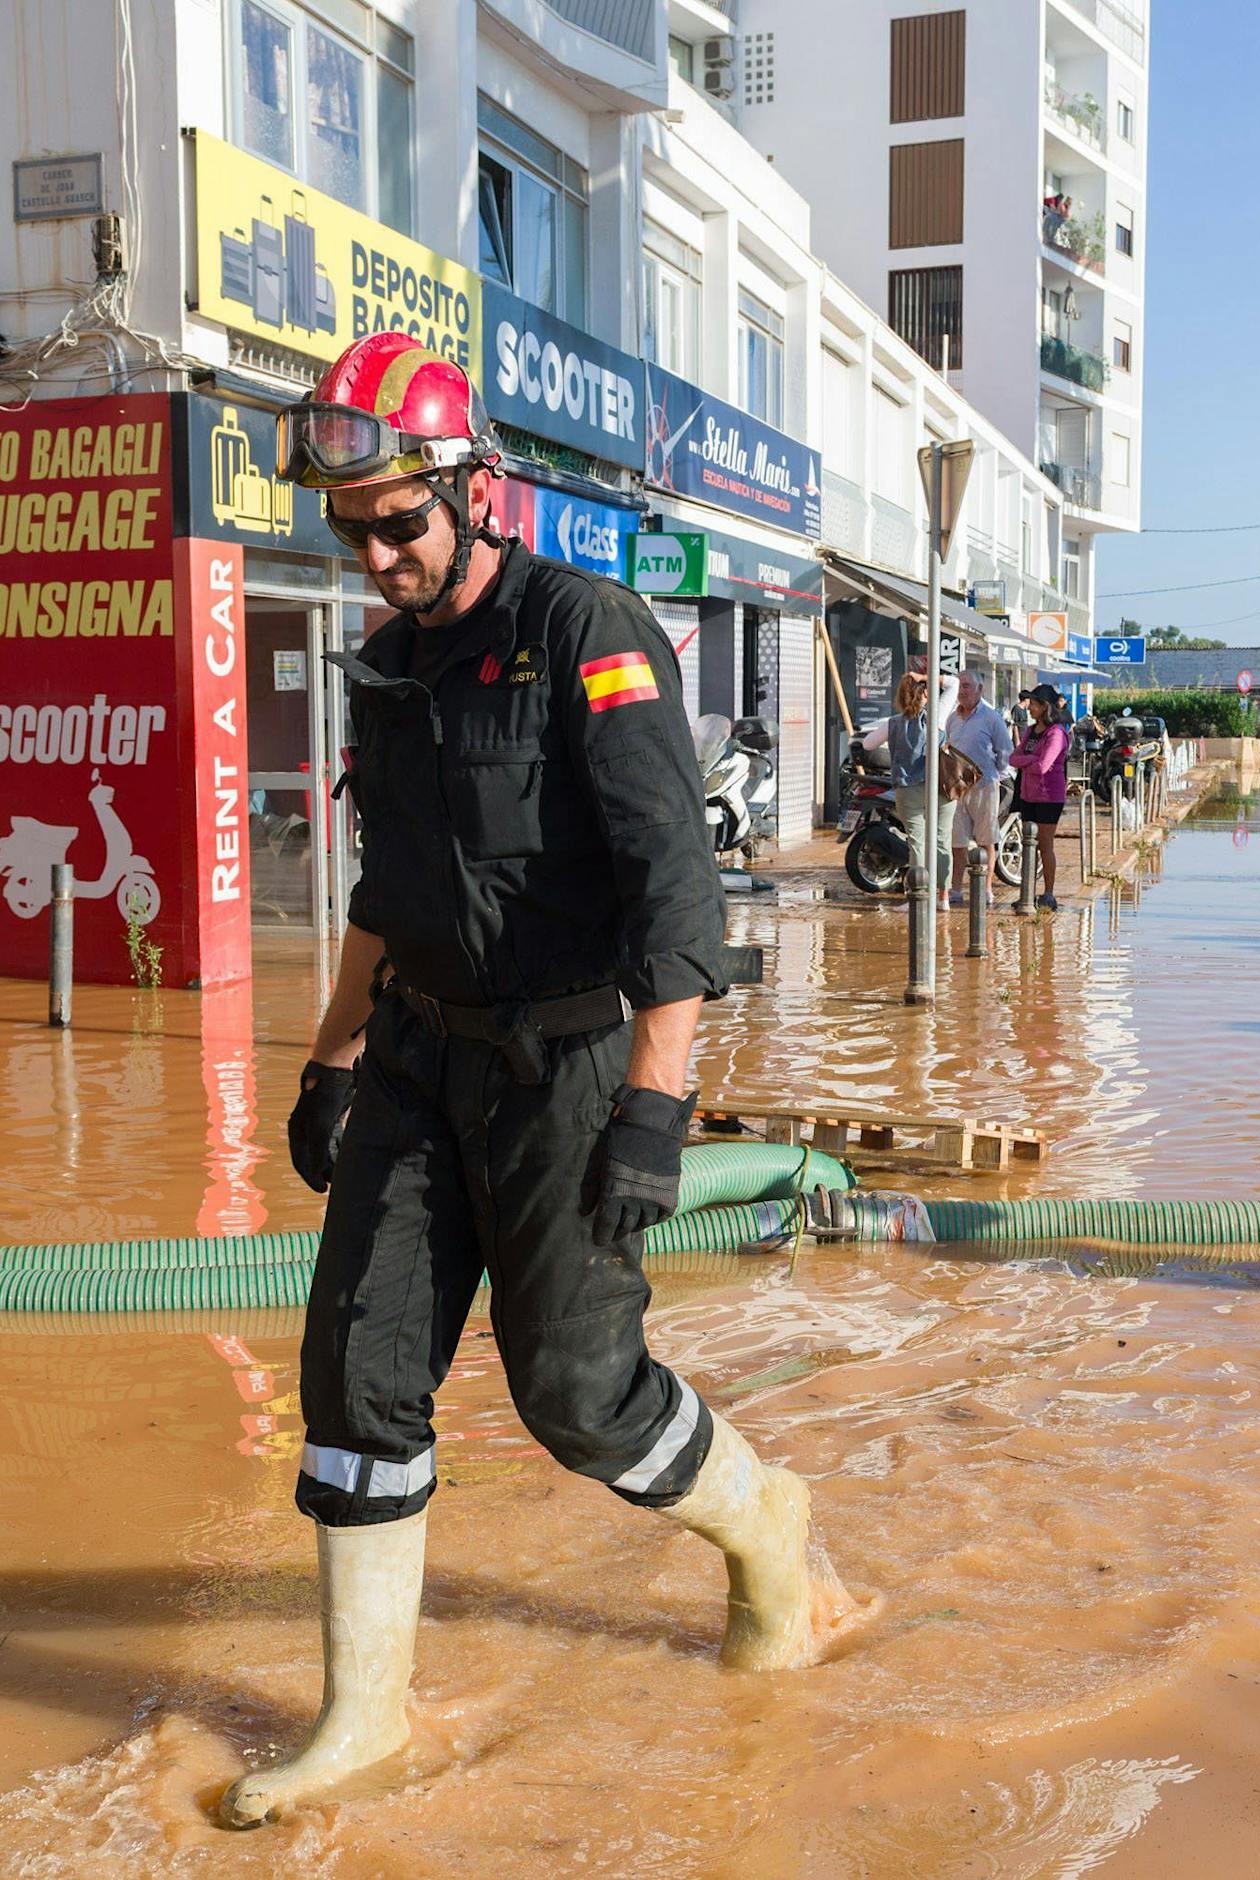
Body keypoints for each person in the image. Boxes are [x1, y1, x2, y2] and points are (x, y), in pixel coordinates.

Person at [220, 332, 846, 1829]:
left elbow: (677, 894)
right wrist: (330, 1062)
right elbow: (390, 882)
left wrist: (654, 1107)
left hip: (571, 1064)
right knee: (356, 1377)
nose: (373, 554)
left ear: (474, 492)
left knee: (577, 1394)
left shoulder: (586, 631)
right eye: (349, 526)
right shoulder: (389, 665)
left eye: (398, 521)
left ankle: (766, 1526)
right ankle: (363, 1716)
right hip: (424, 1059)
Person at [880, 663, 958, 900]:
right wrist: (924, 676)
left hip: (907, 788)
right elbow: (953, 683)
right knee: (942, 839)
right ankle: (943, 896)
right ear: (924, 692)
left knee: (917, 842)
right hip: (940, 787)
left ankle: (919, 894)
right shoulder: (937, 716)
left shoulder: (893, 723)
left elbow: (866, 744)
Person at [946, 669, 1012, 905]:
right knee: (957, 840)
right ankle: (956, 888)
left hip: (985, 786)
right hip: (958, 787)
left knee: (986, 839)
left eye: (967, 686)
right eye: (960, 686)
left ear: (979, 690)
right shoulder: (953, 718)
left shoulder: (991, 718)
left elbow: (1005, 751)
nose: (962, 691)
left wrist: (994, 774)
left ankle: (986, 888)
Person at [1009, 684, 1069, 911]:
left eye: (1033, 704)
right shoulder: (1030, 731)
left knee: (1045, 845)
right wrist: (1030, 759)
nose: (1029, 708)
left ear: (1044, 707)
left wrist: (1028, 759)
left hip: (1049, 796)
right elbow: (1012, 759)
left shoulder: (1057, 733)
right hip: (1027, 794)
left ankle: (1049, 894)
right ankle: (1027, 894)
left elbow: (1044, 766)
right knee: (1028, 846)